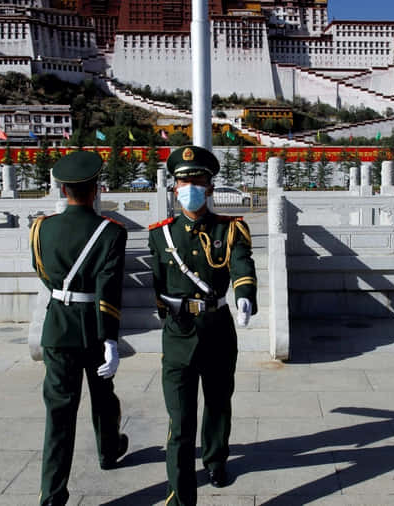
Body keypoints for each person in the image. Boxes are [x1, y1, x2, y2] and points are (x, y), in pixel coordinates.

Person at [148, 146, 258, 505]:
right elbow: (157, 280)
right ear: (174, 187)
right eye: (184, 181)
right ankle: (180, 495)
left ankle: (215, 459)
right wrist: (165, 311)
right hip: (178, 334)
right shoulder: (160, 234)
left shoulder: (230, 228)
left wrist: (244, 295)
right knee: (179, 421)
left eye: (197, 181)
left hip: (216, 329)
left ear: (210, 187)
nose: (190, 187)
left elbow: (242, 263)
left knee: (217, 403)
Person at [30, 150, 129, 506]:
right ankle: (108, 451)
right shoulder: (110, 232)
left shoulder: (41, 228)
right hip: (93, 329)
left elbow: (43, 274)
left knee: (59, 413)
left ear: (62, 188)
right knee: (103, 397)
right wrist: (111, 340)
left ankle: (52, 494)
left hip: (57, 327)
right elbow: (109, 289)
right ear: (96, 188)